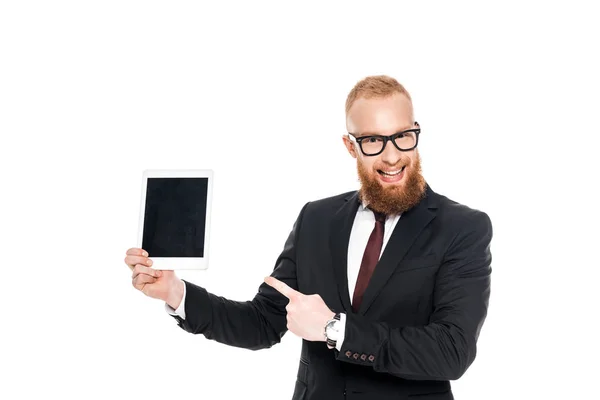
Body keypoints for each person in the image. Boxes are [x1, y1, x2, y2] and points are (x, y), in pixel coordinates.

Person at [124, 75, 492, 400]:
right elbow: (262, 323)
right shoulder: (316, 219)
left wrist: (335, 329)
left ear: (415, 133)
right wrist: (176, 293)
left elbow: (452, 351)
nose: (392, 155)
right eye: (373, 141)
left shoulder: (462, 227)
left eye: (402, 137)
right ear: (350, 147)